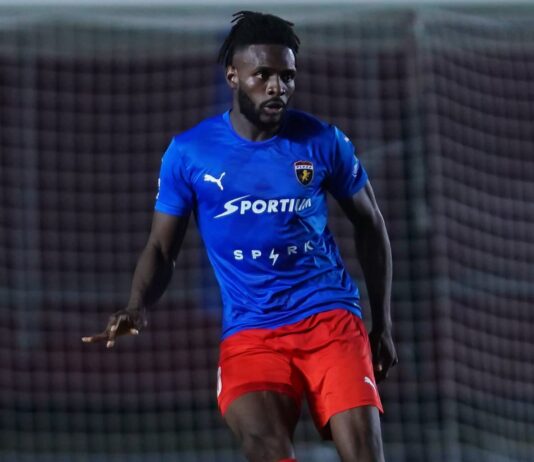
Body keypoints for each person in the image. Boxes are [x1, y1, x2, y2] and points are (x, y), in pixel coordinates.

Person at [82, 11, 398, 462]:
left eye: (287, 76)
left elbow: (370, 223)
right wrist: (137, 305)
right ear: (233, 76)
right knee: (265, 446)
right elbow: (161, 248)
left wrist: (382, 322)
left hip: (329, 321)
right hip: (252, 331)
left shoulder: (323, 141)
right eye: (262, 75)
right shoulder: (189, 153)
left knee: (364, 452)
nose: (277, 87)